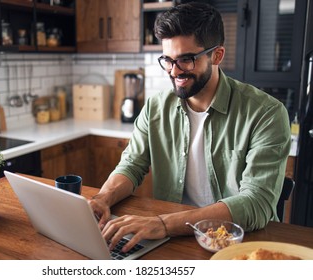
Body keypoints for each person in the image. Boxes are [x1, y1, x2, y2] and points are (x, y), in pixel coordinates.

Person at [89, 2, 291, 253]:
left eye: (186, 60)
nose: (174, 71)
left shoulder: (267, 113)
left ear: (216, 55)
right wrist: (102, 199)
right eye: (167, 60)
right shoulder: (156, 107)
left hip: (234, 245)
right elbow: (132, 165)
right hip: (168, 239)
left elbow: (256, 204)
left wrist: (164, 224)